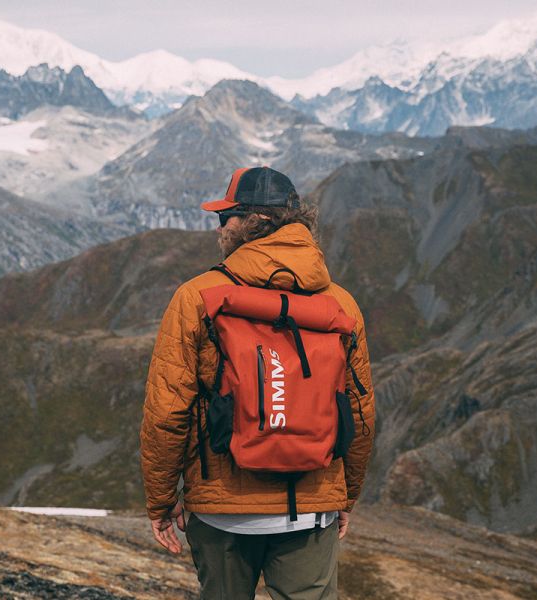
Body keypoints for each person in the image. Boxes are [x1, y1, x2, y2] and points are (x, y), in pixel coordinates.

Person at [140, 166, 375, 599]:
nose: (219, 228)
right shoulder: (341, 304)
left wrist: (160, 501)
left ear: (253, 223)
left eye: (224, 217)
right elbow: (360, 412)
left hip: (222, 510)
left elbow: (167, 411)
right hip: (311, 507)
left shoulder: (197, 296)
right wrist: (345, 495)